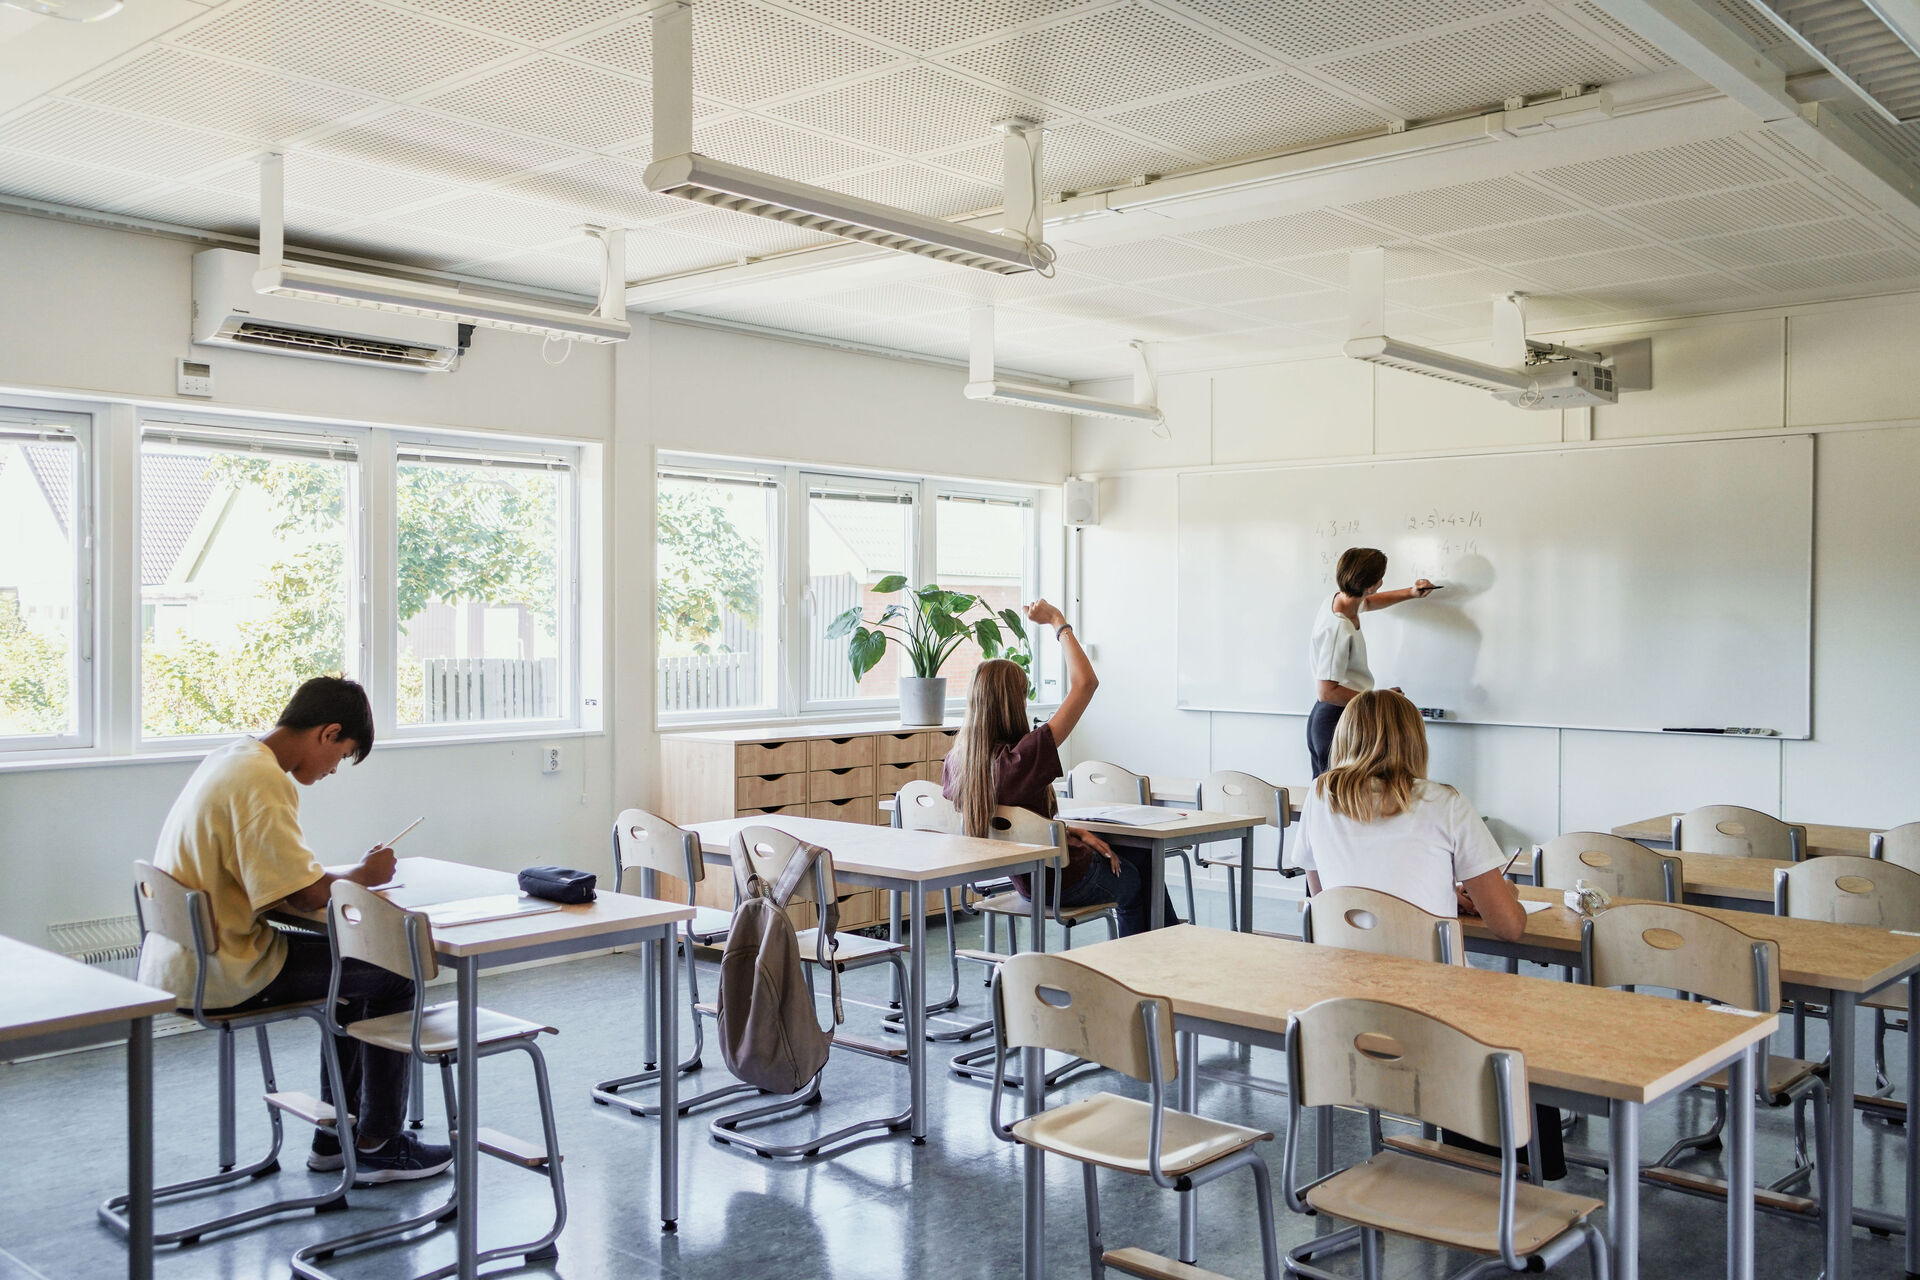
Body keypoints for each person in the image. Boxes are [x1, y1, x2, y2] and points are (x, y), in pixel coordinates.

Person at [136, 676, 452, 1184]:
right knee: (393, 970)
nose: (333, 771)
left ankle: (338, 1137)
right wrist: (363, 879)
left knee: (354, 971)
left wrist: (349, 876)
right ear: (328, 733)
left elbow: (279, 882)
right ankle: (378, 1142)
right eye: (342, 756)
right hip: (226, 969)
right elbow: (303, 894)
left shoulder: (231, 757)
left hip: (182, 959)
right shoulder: (265, 780)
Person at [1293, 689, 1557, 1176]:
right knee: (1524, 1019)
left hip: (1345, 1000)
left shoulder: (1318, 796)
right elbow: (1511, 927)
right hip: (1435, 1006)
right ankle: (1512, 1170)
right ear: (1415, 739)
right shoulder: (1444, 803)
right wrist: (1487, 895)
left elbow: (1326, 896)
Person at [942, 600, 1176, 937]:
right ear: (1014, 703)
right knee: (1143, 877)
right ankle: (1152, 961)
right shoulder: (1023, 756)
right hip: (1064, 881)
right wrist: (1057, 621)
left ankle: (1159, 957)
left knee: (1137, 859)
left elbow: (1014, 822)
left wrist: (1064, 832)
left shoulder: (958, 763)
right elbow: (1085, 684)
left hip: (1026, 881)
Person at [1306, 546, 1436, 777]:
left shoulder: (1339, 599)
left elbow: (1370, 602)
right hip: (1336, 720)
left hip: (1343, 715)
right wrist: (1379, 699)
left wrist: (1411, 592)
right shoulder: (1338, 628)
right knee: (1338, 802)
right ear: (1372, 585)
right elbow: (1326, 692)